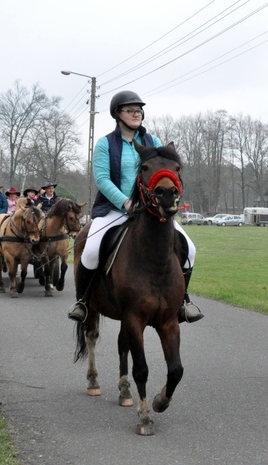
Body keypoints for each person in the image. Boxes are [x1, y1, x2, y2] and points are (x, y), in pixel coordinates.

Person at [67, 90, 204, 324]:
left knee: (189, 249)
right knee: (90, 251)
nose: (136, 113)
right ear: (117, 115)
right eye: (130, 110)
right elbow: (102, 179)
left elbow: (167, 172)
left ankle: (182, 301)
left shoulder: (153, 142)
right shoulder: (104, 144)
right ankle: (83, 302)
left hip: (152, 211)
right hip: (114, 210)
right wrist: (125, 201)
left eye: (138, 110)